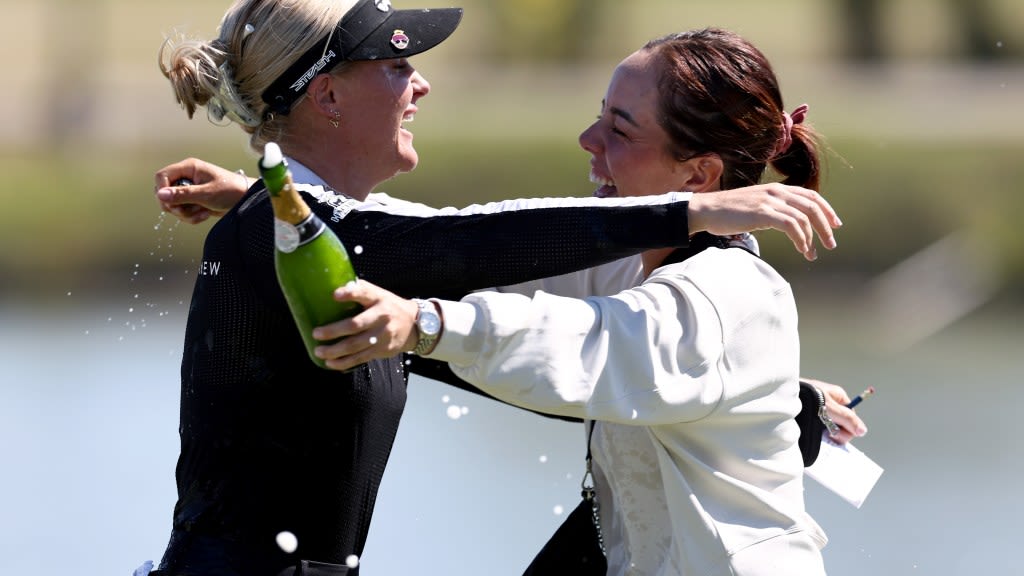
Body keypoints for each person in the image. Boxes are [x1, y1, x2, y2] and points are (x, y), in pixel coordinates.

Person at [149, 0, 842, 572]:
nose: (586, 139)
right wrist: (270, 205)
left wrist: (424, 325)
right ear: (324, 94)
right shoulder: (627, 273)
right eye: (397, 64)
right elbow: (451, 249)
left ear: (699, 173)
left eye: (619, 127)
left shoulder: (727, 296)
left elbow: (591, 348)